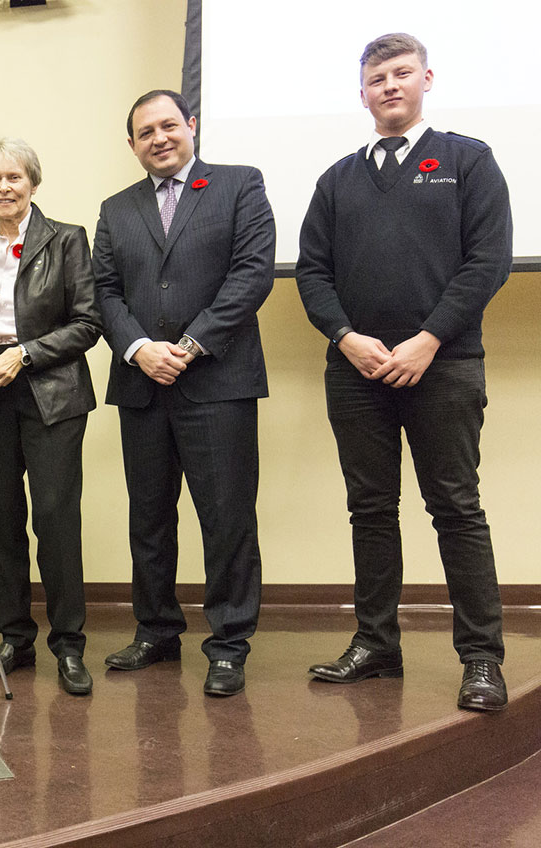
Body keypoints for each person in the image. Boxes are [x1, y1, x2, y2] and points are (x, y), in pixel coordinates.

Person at [296, 34, 512, 711]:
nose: (388, 86)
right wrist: (345, 336)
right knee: (370, 510)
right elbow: (312, 271)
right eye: (375, 78)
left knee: (455, 507)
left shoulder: (468, 160)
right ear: (362, 92)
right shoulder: (337, 179)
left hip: (443, 369)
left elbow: (487, 261)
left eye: (400, 73)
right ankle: (375, 644)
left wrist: (427, 341)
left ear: (426, 78)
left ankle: (481, 658)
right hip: (355, 372)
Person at [92, 90, 274, 697]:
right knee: (148, 519)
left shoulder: (239, 185)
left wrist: (191, 346)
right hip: (141, 384)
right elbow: (105, 293)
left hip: (217, 383)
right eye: (145, 132)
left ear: (191, 126)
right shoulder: (116, 209)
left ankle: (228, 644)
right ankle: (157, 631)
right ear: (132, 144)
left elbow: (252, 273)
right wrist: (141, 348)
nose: (159, 138)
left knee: (225, 519)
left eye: (169, 125)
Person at [0, 138, 101, 696]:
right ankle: (14, 638)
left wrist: (26, 353)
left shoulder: (66, 241)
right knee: (2, 520)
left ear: (33, 184)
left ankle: (69, 646)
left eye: (14, 178)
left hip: (50, 394)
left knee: (56, 521)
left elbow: (88, 323)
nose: (3, 188)